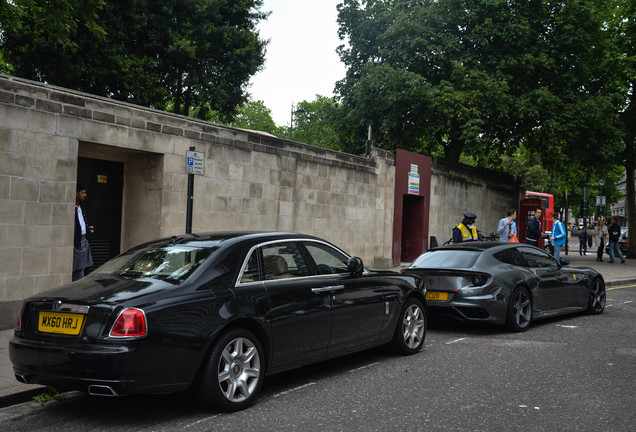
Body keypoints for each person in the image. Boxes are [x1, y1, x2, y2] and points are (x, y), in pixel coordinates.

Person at [73, 184, 93, 281]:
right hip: (77, 242)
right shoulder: (73, 208)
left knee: (83, 267)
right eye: (83, 193)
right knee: (76, 268)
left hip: (83, 240)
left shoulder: (82, 208)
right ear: (76, 193)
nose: (85, 195)